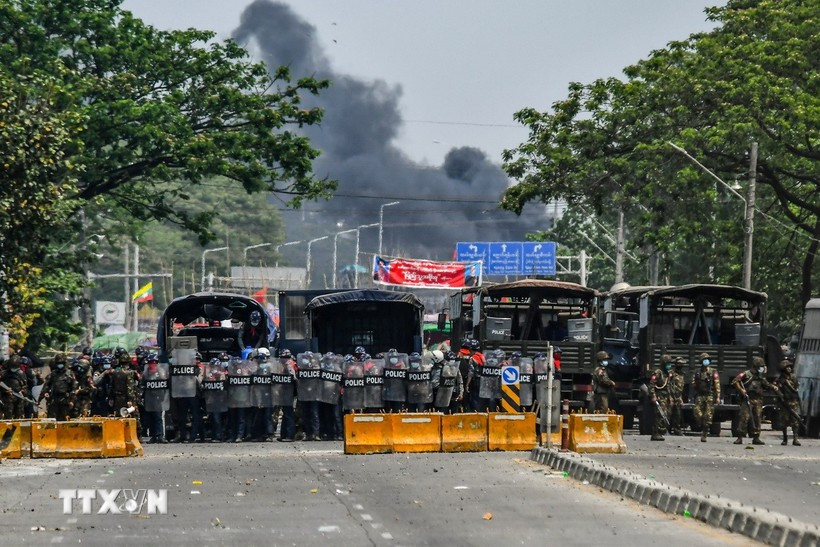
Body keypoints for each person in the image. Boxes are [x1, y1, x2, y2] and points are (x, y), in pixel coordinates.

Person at [732, 356, 778, 445]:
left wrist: (773, 387)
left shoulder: (760, 376)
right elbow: (735, 381)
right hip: (747, 399)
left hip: (758, 399)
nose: (762, 368)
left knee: (757, 418)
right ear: (756, 366)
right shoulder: (746, 374)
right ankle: (740, 437)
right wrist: (741, 390)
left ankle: (756, 437)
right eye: (760, 366)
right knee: (744, 418)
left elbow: (766, 384)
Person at [39, 353, 77, 420]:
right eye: (58, 363)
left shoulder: (70, 374)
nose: (60, 365)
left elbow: (74, 388)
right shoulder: (53, 374)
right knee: (51, 420)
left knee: (64, 420)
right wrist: (41, 397)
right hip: (54, 399)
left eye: (61, 363)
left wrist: (72, 400)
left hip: (65, 400)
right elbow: (46, 386)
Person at [692, 352, 720, 442]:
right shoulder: (697, 372)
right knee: (697, 413)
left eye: (707, 360)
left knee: (708, 415)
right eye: (704, 360)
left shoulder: (713, 372)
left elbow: (717, 384)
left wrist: (718, 397)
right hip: (699, 395)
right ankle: (701, 424)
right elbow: (693, 383)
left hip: (709, 395)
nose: (706, 361)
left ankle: (704, 433)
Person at [775, 360, 801, 446]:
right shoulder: (780, 379)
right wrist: (781, 396)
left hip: (793, 402)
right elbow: (777, 389)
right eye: (787, 367)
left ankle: (795, 439)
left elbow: (796, 389)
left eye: (790, 367)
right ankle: (785, 438)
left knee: (795, 421)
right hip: (785, 404)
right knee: (784, 422)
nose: (789, 368)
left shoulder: (794, 378)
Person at [648, 355, 672, 441]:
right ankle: (656, 433)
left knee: (666, 415)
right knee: (659, 414)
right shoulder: (658, 373)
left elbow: (669, 386)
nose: (669, 365)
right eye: (667, 363)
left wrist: (670, 397)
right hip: (659, 396)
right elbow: (651, 384)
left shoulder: (667, 373)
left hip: (666, 396)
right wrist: (653, 396)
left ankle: (661, 432)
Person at [1, 354, 30, 419]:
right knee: (8, 415)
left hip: (19, 397)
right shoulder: (4, 374)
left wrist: (22, 391)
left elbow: (25, 385)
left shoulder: (21, 374)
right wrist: (5, 391)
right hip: (7, 398)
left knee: (19, 414)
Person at [668, 357, 686, 435]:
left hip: (678, 397)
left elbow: (681, 388)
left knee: (678, 414)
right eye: (679, 364)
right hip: (671, 395)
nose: (680, 365)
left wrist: (681, 398)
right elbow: (668, 385)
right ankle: (667, 429)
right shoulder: (671, 373)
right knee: (669, 413)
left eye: (681, 364)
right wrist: (669, 397)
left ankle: (677, 430)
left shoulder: (682, 374)